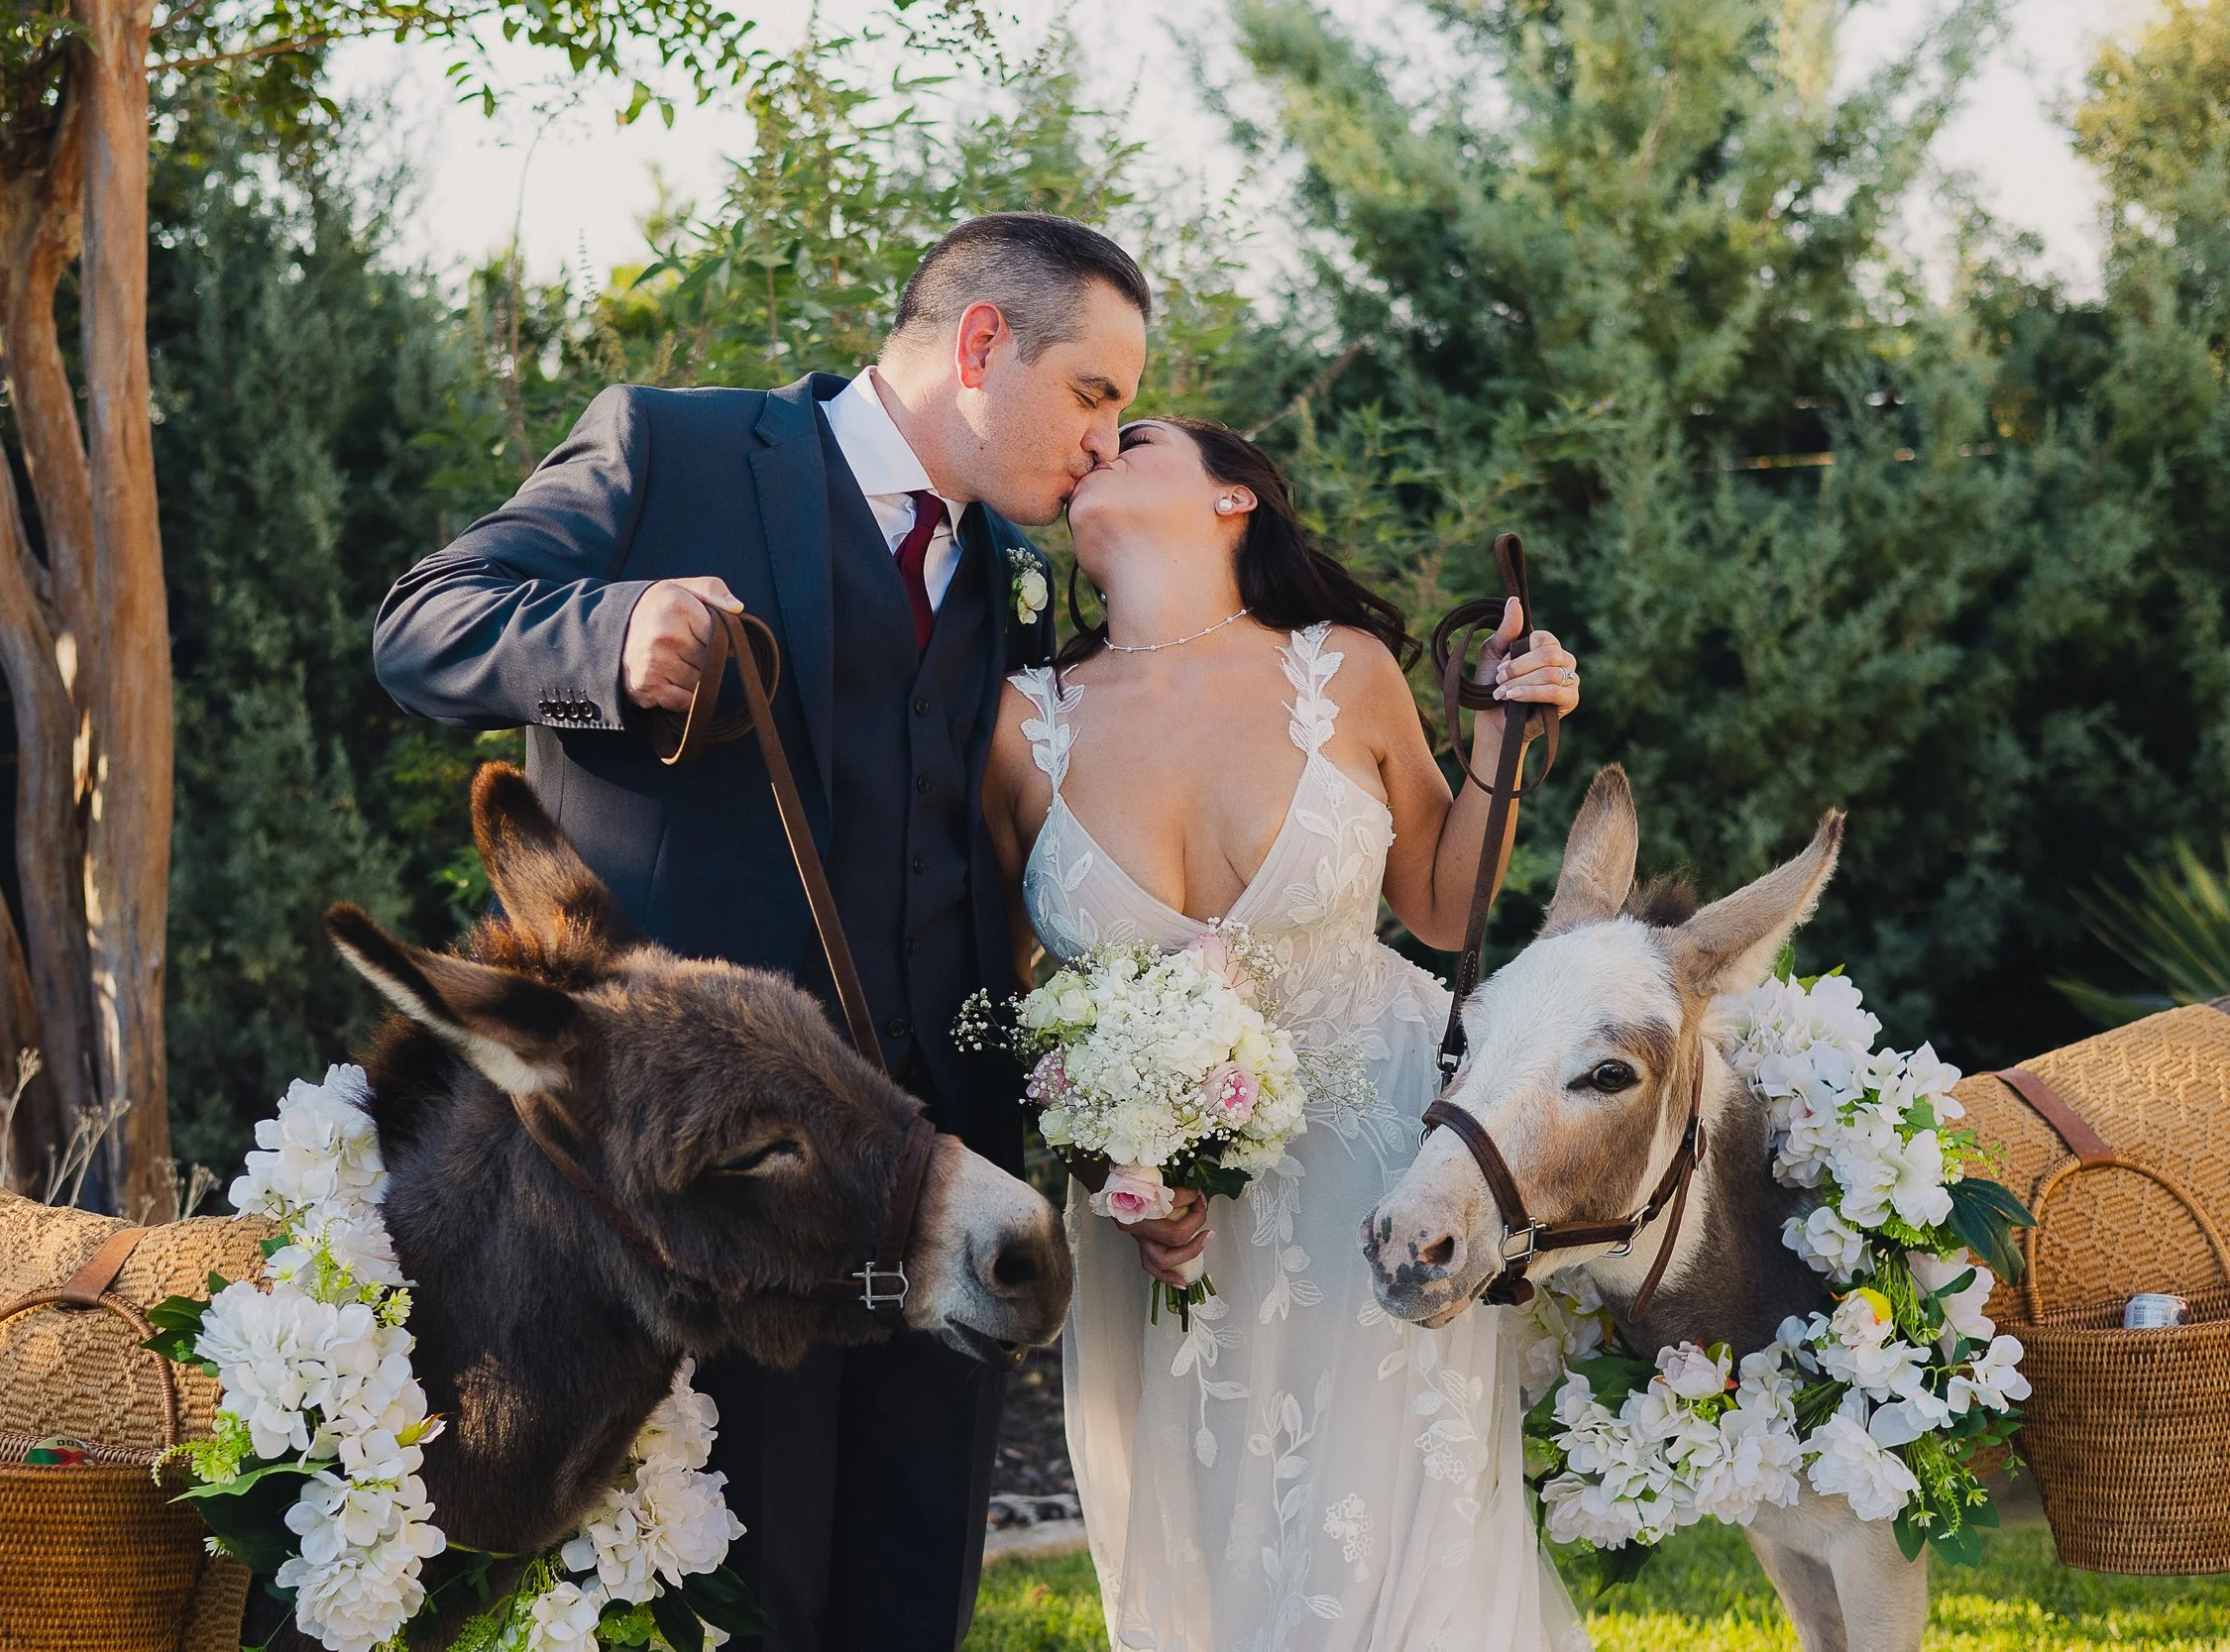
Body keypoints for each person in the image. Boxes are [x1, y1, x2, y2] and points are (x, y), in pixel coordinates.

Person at [371, 212, 1150, 1651]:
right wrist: (609, 631)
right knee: (735, 1607)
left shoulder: (1012, 573)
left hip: (932, 1169)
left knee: (911, 1599)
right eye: (1095, 393)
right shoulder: (669, 449)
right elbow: (422, 623)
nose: (1109, 440)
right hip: (708, 1190)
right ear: (981, 341)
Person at [982, 416, 1590, 1651]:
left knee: (1390, 1532)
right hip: (1160, 1219)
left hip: (1377, 1154)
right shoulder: (1017, 721)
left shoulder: (1343, 669)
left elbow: (1436, 901)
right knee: (1216, 1545)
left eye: (1135, 435)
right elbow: (1011, 1007)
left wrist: (1497, 739)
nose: (1095, 440)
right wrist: (1119, 1170)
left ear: (1234, 500)